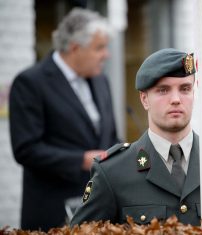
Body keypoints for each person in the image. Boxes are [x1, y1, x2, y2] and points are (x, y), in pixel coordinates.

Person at [70, 48, 202, 226]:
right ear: (144, 99)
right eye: (163, 90)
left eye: (185, 89)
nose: (176, 99)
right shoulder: (113, 172)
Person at [8, 8, 119, 231]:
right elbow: (26, 149)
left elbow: (111, 136)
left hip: (100, 211)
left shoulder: (101, 80)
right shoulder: (30, 83)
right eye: (100, 48)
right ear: (75, 48)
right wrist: (81, 160)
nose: (106, 55)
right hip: (52, 214)